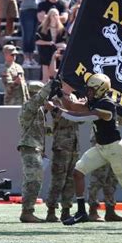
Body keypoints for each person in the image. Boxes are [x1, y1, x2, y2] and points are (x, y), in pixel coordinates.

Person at [44, 74, 122, 225]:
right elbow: (73, 107)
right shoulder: (96, 100)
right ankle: (82, 212)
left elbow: (79, 117)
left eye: (91, 89)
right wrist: (61, 95)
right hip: (101, 147)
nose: (88, 92)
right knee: (77, 172)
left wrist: (56, 109)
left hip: (114, 149)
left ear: (100, 90)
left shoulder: (106, 104)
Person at [17, 81, 53, 222]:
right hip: (30, 147)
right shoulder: (29, 106)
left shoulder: (38, 110)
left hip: (35, 148)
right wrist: (50, 85)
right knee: (33, 181)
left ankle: (28, 211)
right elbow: (38, 99)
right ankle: (27, 212)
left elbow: (38, 129)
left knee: (34, 180)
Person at [45, 93, 81, 222]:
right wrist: (75, 109)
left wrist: (78, 107)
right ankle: (51, 210)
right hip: (61, 145)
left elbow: (81, 119)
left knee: (71, 180)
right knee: (58, 180)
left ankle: (66, 210)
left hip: (74, 145)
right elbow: (63, 119)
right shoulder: (56, 99)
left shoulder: (73, 98)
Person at [18, 0, 43, 67]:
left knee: (33, 36)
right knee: (27, 35)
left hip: (36, 11)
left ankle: (31, 57)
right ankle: (26, 58)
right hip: (26, 12)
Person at [36, 8, 67, 83]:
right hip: (46, 53)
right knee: (45, 78)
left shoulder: (62, 29)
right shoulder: (42, 28)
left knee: (56, 77)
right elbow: (37, 41)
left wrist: (58, 45)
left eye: (56, 15)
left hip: (57, 54)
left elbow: (65, 42)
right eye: (52, 15)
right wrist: (49, 43)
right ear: (49, 16)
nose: (55, 17)